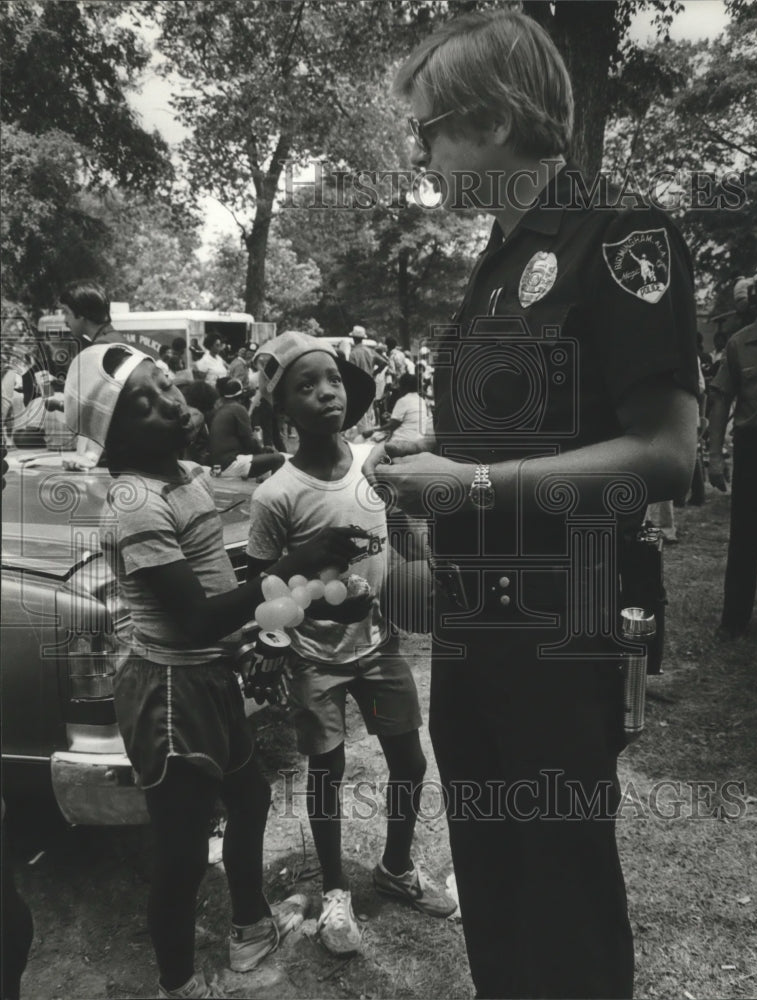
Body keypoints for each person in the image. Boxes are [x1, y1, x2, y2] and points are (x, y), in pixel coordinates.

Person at [365, 12, 699, 999]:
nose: (418, 151)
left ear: (495, 119)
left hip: (567, 628)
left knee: (561, 904)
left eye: (427, 129)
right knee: (494, 886)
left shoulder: (620, 233)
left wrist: (464, 482)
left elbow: (665, 454)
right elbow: (530, 430)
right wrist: (439, 444)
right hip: (477, 625)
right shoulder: (494, 260)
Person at [63, 342, 371, 999]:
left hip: (206, 676)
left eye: (165, 385)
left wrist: (253, 644)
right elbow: (195, 617)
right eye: (146, 403)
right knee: (178, 854)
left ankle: (250, 929)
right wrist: (297, 562)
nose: (173, 400)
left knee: (251, 796)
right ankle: (177, 984)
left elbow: (216, 585)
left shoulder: (181, 475)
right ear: (112, 434)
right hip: (171, 695)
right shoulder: (135, 500)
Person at [246, 331, 456, 957]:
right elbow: (267, 584)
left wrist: (433, 569)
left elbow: (405, 532)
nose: (324, 394)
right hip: (317, 657)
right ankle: (336, 888)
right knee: (327, 772)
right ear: (283, 409)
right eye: (305, 388)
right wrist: (275, 640)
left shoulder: (374, 464)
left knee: (411, 764)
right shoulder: (275, 495)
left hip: (380, 645)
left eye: (331, 380)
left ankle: (395, 869)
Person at [707, 264, 757, 639]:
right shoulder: (738, 343)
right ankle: (734, 621)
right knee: (745, 540)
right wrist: (716, 455)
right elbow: (720, 401)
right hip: (753, 452)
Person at [209, 377, 285, 479]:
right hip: (229, 464)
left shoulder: (220, 408)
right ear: (241, 397)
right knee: (279, 459)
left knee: (266, 458)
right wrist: (262, 452)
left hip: (217, 464)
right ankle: (274, 493)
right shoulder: (238, 408)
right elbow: (249, 442)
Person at [362, 372, 433, 445]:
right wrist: (392, 416)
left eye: (400, 385)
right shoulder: (421, 401)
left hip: (402, 441)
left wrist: (373, 431)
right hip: (418, 439)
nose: (399, 388)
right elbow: (410, 419)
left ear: (405, 387)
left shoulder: (403, 401)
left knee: (370, 445)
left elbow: (392, 425)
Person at [348, 325, 380, 435]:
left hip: (359, 385)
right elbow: (385, 362)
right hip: (370, 384)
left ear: (354, 338)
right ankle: (369, 434)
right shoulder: (370, 351)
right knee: (369, 412)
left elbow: (351, 372)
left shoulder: (353, 353)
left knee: (360, 413)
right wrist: (374, 373)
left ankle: (363, 436)